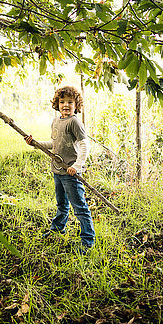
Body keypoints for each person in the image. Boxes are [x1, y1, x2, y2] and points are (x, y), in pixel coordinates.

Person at [25, 86, 95, 253]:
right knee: (62, 203)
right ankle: (57, 229)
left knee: (79, 207)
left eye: (70, 102)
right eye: (62, 101)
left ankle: (88, 240)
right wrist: (36, 144)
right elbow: (55, 145)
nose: (65, 105)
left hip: (70, 173)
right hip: (58, 170)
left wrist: (77, 166)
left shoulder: (75, 122)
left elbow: (85, 145)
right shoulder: (56, 122)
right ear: (56, 104)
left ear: (76, 105)